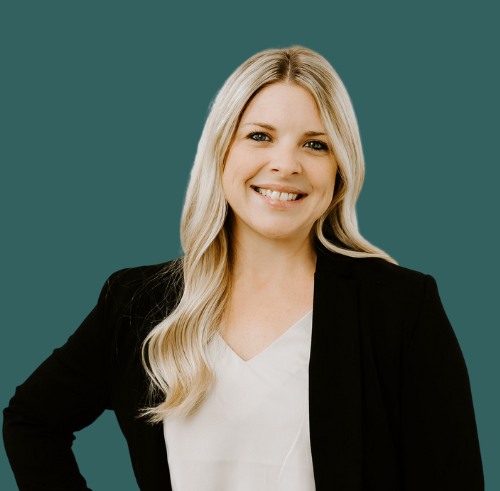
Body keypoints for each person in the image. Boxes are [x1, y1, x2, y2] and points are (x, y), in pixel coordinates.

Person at [3, 45, 484, 491]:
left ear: (340, 169)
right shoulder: (138, 301)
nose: (285, 163)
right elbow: (31, 422)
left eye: (316, 145)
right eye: (260, 136)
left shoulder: (398, 307)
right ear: (221, 151)